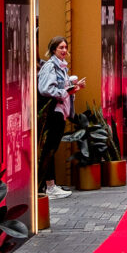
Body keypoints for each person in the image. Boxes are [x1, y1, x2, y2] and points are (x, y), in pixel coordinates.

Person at [37, 37, 81, 191]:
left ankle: (50, 185)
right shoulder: (50, 66)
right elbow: (45, 89)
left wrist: (73, 86)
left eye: (65, 47)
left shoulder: (62, 67)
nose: (64, 50)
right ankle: (48, 186)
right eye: (61, 47)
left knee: (52, 149)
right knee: (49, 149)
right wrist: (66, 92)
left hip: (60, 112)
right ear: (53, 49)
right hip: (54, 112)